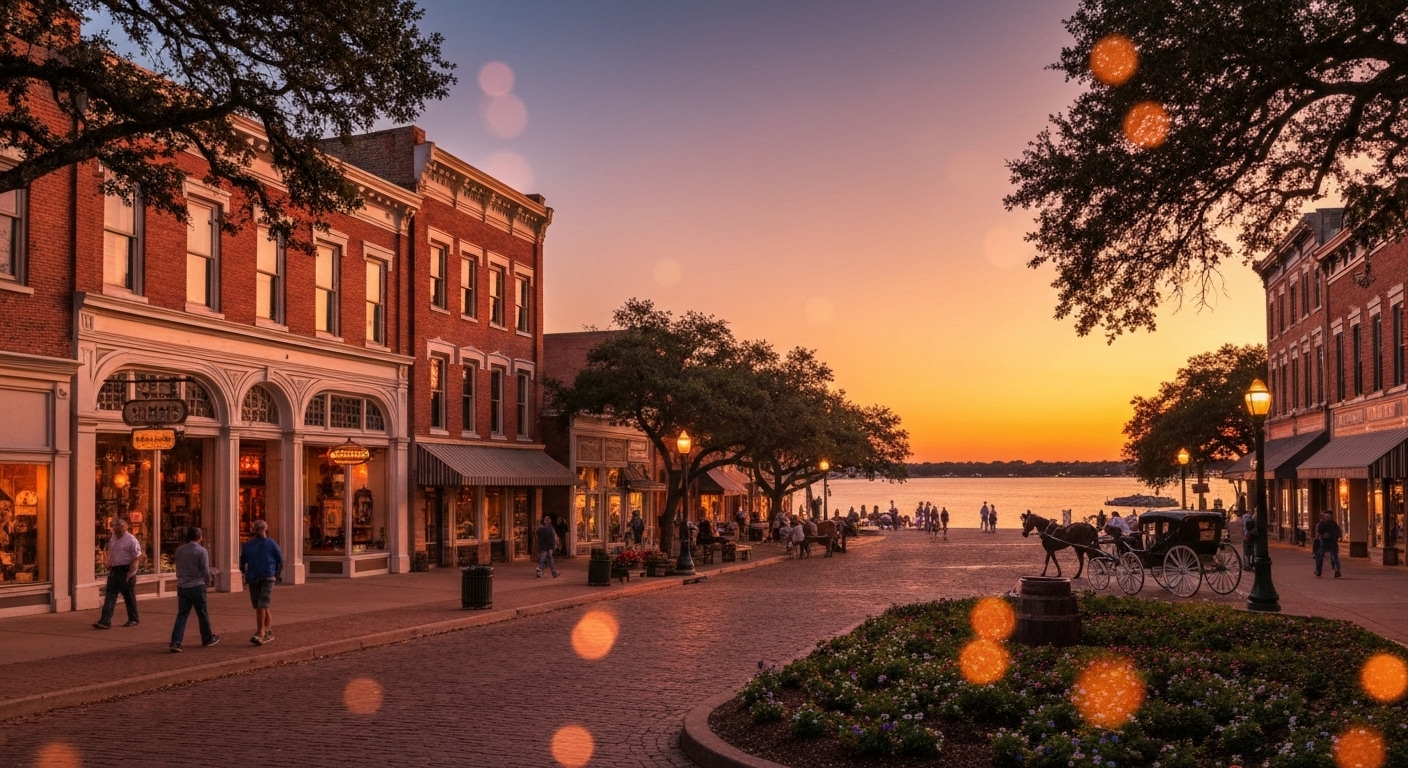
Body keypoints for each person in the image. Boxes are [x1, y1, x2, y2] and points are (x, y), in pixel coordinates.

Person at [169, 527, 219, 652]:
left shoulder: (179, 550)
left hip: (183, 585)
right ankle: (207, 638)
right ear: (199, 537)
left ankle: (176, 642)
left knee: (182, 614)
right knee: (202, 613)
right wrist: (208, 581)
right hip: (197, 585)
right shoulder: (201, 551)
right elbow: (205, 570)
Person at [239, 519, 283, 645]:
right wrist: (244, 570)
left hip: (267, 577)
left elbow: (279, 559)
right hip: (254, 577)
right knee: (259, 605)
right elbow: (243, 560)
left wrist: (275, 574)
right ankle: (268, 629)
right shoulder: (249, 545)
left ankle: (260, 633)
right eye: (258, 529)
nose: (259, 531)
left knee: (261, 604)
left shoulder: (270, 543)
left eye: (260, 529)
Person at [93, 517, 142, 629]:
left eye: (119, 531)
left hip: (126, 569)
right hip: (115, 570)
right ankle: (105, 621)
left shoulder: (131, 540)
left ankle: (133, 618)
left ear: (124, 529)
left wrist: (131, 573)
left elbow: (136, 557)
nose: (117, 533)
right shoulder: (113, 538)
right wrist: (110, 563)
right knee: (110, 595)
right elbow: (113, 551)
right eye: (115, 530)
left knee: (129, 596)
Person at [1314, 511, 1342, 578]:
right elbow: (1318, 532)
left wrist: (1332, 536)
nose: (1327, 518)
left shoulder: (1333, 524)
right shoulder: (1321, 524)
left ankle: (1336, 570)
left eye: (1328, 516)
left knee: (1334, 556)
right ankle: (1318, 570)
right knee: (1320, 556)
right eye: (1326, 516)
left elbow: (1337, 533)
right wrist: (1321, 536)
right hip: (1324, 542)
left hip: (1332, 542)